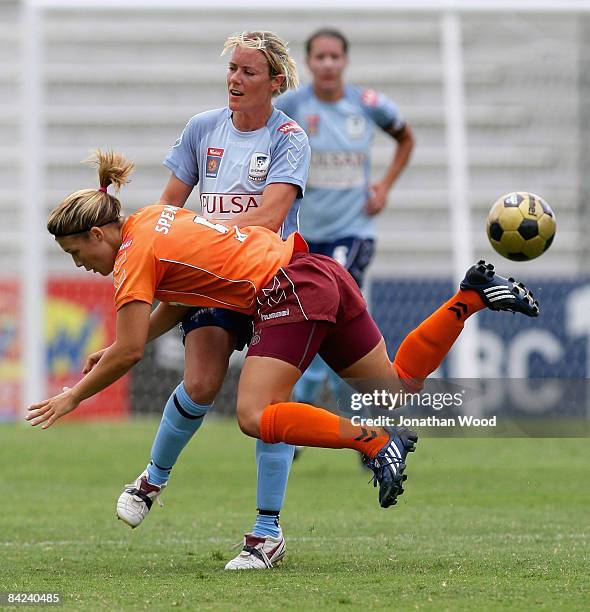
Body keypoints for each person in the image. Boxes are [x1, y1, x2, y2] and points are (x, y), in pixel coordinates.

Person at [28, 152, 540, 570]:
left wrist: (74, 394)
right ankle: (470, 297)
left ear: (98, 234)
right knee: (398, 388)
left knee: (256, 414)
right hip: (316, 269)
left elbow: (132, 350)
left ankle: (375, 441)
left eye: (77, 253)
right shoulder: (151, 221)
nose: (81, 265)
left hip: (287, 289)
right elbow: (181, 297)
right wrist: (117, 349)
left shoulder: (131, 256)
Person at [108, 31, 310, 569]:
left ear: (276, 82)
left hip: (270, 279)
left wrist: (205, 234)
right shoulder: (203, 129)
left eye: (248, 72)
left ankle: (268, 531)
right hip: (212, 280)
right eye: (232, 70)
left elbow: (269, 219)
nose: (235, 81)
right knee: (199, 383)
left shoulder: (290, 138)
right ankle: (151, 482)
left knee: (263, 408)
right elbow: (166, 211)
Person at [274, 28, 415, 414]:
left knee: (327, 306)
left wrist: (384, 185)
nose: (328, 64)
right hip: (304, 235)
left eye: (334, 56)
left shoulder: (368, 105)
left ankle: (303, 405)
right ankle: (364, 420)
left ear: (345, 61)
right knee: (331, 321)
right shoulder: (291, 106)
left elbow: (406, 138)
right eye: (320, 57)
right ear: (308, 63)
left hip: (353, 231)